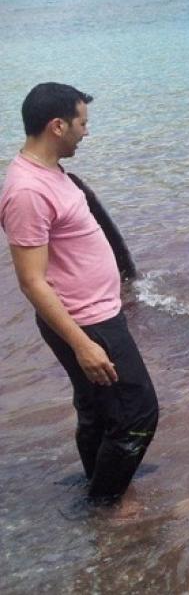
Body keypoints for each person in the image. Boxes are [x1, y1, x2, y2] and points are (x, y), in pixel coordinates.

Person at [0, 82, 158, 504]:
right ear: (57, 126)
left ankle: (100, 483)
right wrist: (83, 344)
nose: (85, 132)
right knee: (139, 415)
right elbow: (31, 281)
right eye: (81, 123)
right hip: (87, 322)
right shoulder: (27, 191)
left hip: (92, 314)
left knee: (99, 412)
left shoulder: (51, 174)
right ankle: (107, 505)